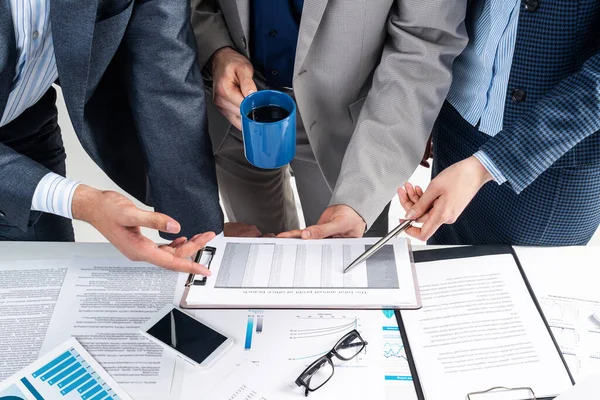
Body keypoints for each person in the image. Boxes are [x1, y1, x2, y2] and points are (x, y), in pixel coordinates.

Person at [191, 0, 469, 239]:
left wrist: (360, 199)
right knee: (257, 263)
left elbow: (424, 42)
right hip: (233, 110)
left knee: (342, 267)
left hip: (349, 129)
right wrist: (216, 50)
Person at [0, 0, 224, 274]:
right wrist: (82, 202)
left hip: (23, 129)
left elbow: (164, 69)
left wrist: (200, 235)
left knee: (46, 282)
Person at [399, 0, 600, 246]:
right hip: (457, 126)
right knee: (440, 275)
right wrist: (425, 109)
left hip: (550, 164)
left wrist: (486, 166)